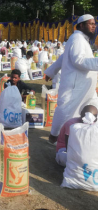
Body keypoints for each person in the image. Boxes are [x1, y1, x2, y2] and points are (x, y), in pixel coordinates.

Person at [44, 14, 98, 144]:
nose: (94, 26)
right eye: (90, 24)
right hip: (75, 85)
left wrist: (51, 71)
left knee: (92, 108)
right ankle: (54, 137)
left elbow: (63, 57)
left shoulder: (81, 39)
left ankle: (83, 137)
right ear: (81, 25)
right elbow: (78, 60)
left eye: (94, 24)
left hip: (85, 86)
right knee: (65, 110)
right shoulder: (77, 39)